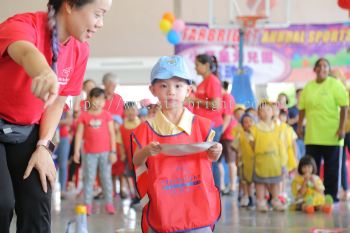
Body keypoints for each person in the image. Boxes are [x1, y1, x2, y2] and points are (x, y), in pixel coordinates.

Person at [0, 0, 112, 232]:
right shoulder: (24, 25)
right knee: (2, 202)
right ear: (70, 5)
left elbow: (58, 103)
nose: (101, 24)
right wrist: (42, 71)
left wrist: (43, 146)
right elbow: (24, 50)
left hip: (27, 130)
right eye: (98, 14)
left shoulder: (80, 50)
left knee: (39, 197)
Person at [132, 56, 222, 233]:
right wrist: (147, 151)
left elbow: (211, 157)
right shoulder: (146, 129)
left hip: (198, 210)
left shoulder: (202, 125)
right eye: (164, 86)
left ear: (189, 90)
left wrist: (216, 150)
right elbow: (136, 161)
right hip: (163, 211)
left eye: (178, 86)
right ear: (153, 90)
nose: (171, 92)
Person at [297, 58, 349, 202]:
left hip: (332, 135)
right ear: (314, 70)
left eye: (325, 66)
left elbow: (344, 107)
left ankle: (330, 197)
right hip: (312, 135)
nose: (322, 68)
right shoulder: (308, 87)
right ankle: (312, 196)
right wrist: (300, 126)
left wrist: (341, 128)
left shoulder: (335, 85)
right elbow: (302, 109)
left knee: (332, 169)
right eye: (319, 66)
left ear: (329, 69)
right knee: (311, 169)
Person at [73, 87, 117, 215]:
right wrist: (76, 152)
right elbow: (79, 135)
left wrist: (113, 152)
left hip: (106, 153)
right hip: (89, 153)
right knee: (89, 179)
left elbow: (112, 133)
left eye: (102, 100)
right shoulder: (84, 116)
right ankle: (88, 204)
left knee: (106, 178)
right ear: (90, 99)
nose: (99, 102)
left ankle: (109, 203)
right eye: (96, 99)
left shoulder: (106, 115)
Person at [191, 54, 223, 186]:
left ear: (206, 65)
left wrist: (194, 100)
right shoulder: (203, 82)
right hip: (203, 125)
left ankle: (215, 190)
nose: (195, 68)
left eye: (197, 65)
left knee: (211, 158)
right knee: (205, 159)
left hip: (212, 125)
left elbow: (216, 105)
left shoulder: (213, 81)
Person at [250, 101, 287, 212]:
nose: (265, 112)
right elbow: (251, 143)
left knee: (275, 182)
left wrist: (283, 161)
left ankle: (275, 200)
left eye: (268, 109)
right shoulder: (254, 128)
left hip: (275, 161)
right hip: (260, 161)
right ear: (258, 113)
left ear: (273, 112)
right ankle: (261, 201)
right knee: (260, 183)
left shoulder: (278, 128)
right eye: (262, 110)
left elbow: (282, 145)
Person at [218, 81, 237, 195]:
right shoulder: (219, 99)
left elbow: (227, 118)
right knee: (218, 162)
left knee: (231, 162)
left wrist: (220, 132)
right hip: (221, 134)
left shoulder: (227, 98)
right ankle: (221, 186)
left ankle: (233, 187)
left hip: (228, 134)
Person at [288, 88, 305, 159]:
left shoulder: (308, 109)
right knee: (299, 159)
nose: (301, 96)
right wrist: (296, 119)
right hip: (297, 139)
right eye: (299, 95)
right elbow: (286, 122)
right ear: (296, 96)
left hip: (308, 138)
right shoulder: (290, 109)